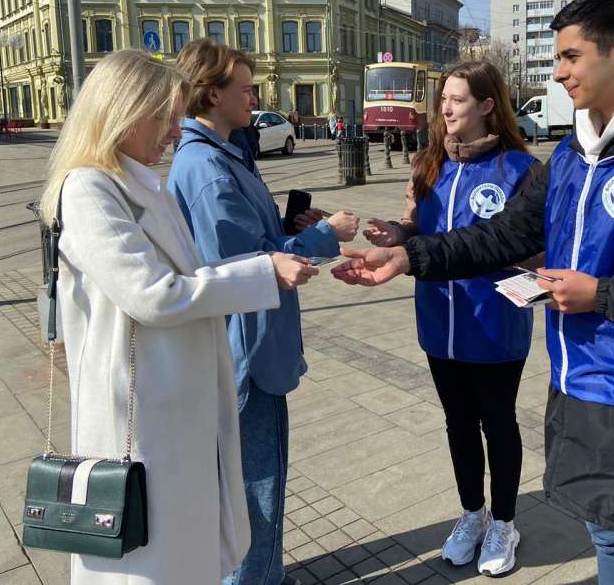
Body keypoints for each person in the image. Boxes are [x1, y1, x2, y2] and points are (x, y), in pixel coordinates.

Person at [332, 0, 614, 585]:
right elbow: (502, 235)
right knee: (607, 541)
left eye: (569, 56)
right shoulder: (571, 155)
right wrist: (409, 257)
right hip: (578, 385)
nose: (558, 73)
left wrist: (602, 295)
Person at [38, 49, 317, 585]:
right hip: (138, 407)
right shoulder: (89, 188)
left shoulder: (140, 183)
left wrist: (266, 266)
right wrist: (265, 272)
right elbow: (155, 295)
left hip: (174, 396)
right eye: (163, 116)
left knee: (185, 542)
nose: (173, 130)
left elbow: (191, 275)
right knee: (147, 555)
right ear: (122, 111)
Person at [167, 40, 360, 585]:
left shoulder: (224, 153)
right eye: (246, 89)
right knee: (257, 487)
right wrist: (325, 235)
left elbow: (255, 245)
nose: (254, 99)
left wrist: (290, 225)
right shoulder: (209, 168)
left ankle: (262, 574)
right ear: (213, 94)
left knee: (256, 482)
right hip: (246, 356)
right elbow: (244, 272)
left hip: (249, 348)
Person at [363, 59, 539, 576]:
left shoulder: (521, 170)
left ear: (487, 105)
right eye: (443, 99)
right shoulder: (427, 164)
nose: (445, 108)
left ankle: (504, 522)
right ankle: (471, 514)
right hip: (440, 322)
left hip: (496, 323)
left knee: (498, 423)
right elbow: (417, 228)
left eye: (457, 99)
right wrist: (398, 234)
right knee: (458, 423)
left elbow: (535, 247)